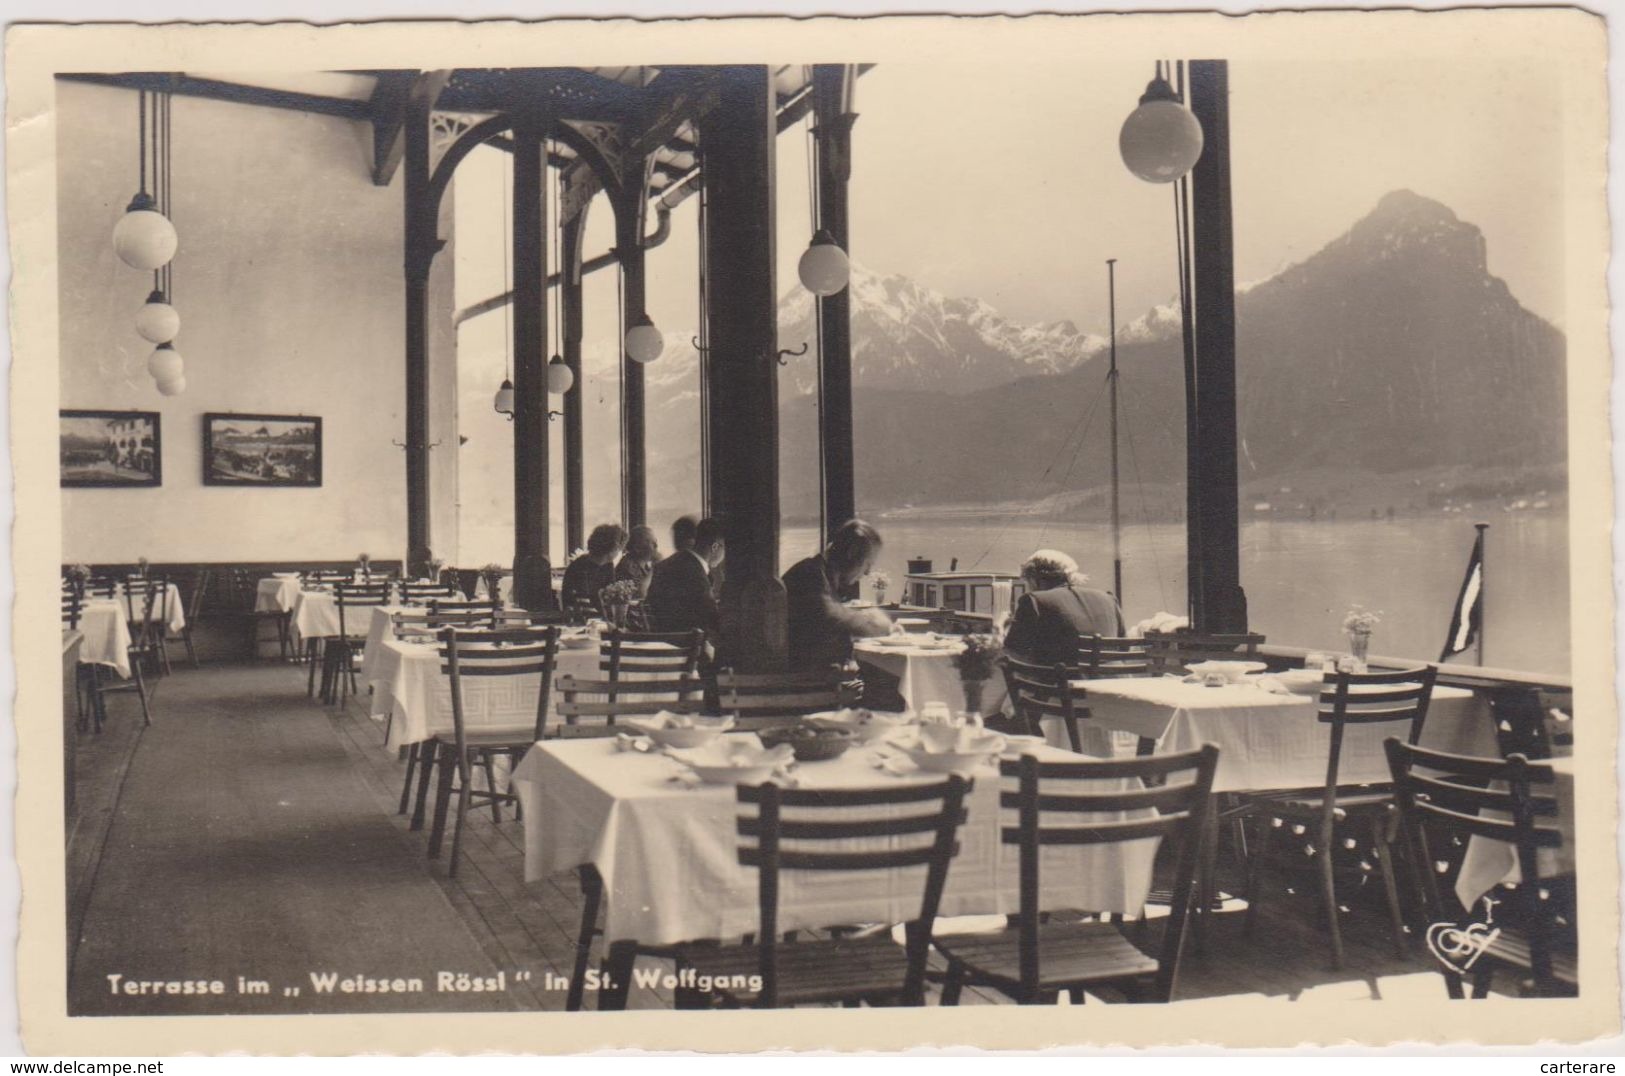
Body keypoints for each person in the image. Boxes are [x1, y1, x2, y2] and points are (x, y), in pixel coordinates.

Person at [782, 519, 894, 671]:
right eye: (867, 564)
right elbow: (830, 616)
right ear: (851, 554)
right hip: (803, 680)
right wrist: (874, 623)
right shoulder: (810, 575)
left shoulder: (821, 573)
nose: (867, 572)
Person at [1002, 549, 1124, 667]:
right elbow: (1124, 646)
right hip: (1113, 683)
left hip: (1061, 684)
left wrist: (999, 628)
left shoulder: (1034, 600)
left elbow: (1013, 651)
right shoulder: (1108, 598)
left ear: (1034, 579)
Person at [646, 516, 724, 636]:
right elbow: (712, 619)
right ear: (715, 547)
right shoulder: (696, 573)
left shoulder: (664, 565)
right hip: (685, 646)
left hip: (661, 641)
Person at [561, 522, 627, 613]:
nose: (619, 553)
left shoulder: (608, 565)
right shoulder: (578, 566)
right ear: (613, 548)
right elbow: (575, 602)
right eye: (620, 549)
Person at [615, 525, 660, 599]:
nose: (656, 545)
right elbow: (640, 594)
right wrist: (655, 567)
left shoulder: (644, 566)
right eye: (651, 542)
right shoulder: (628, 565)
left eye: (655, 541)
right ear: (637, 548)